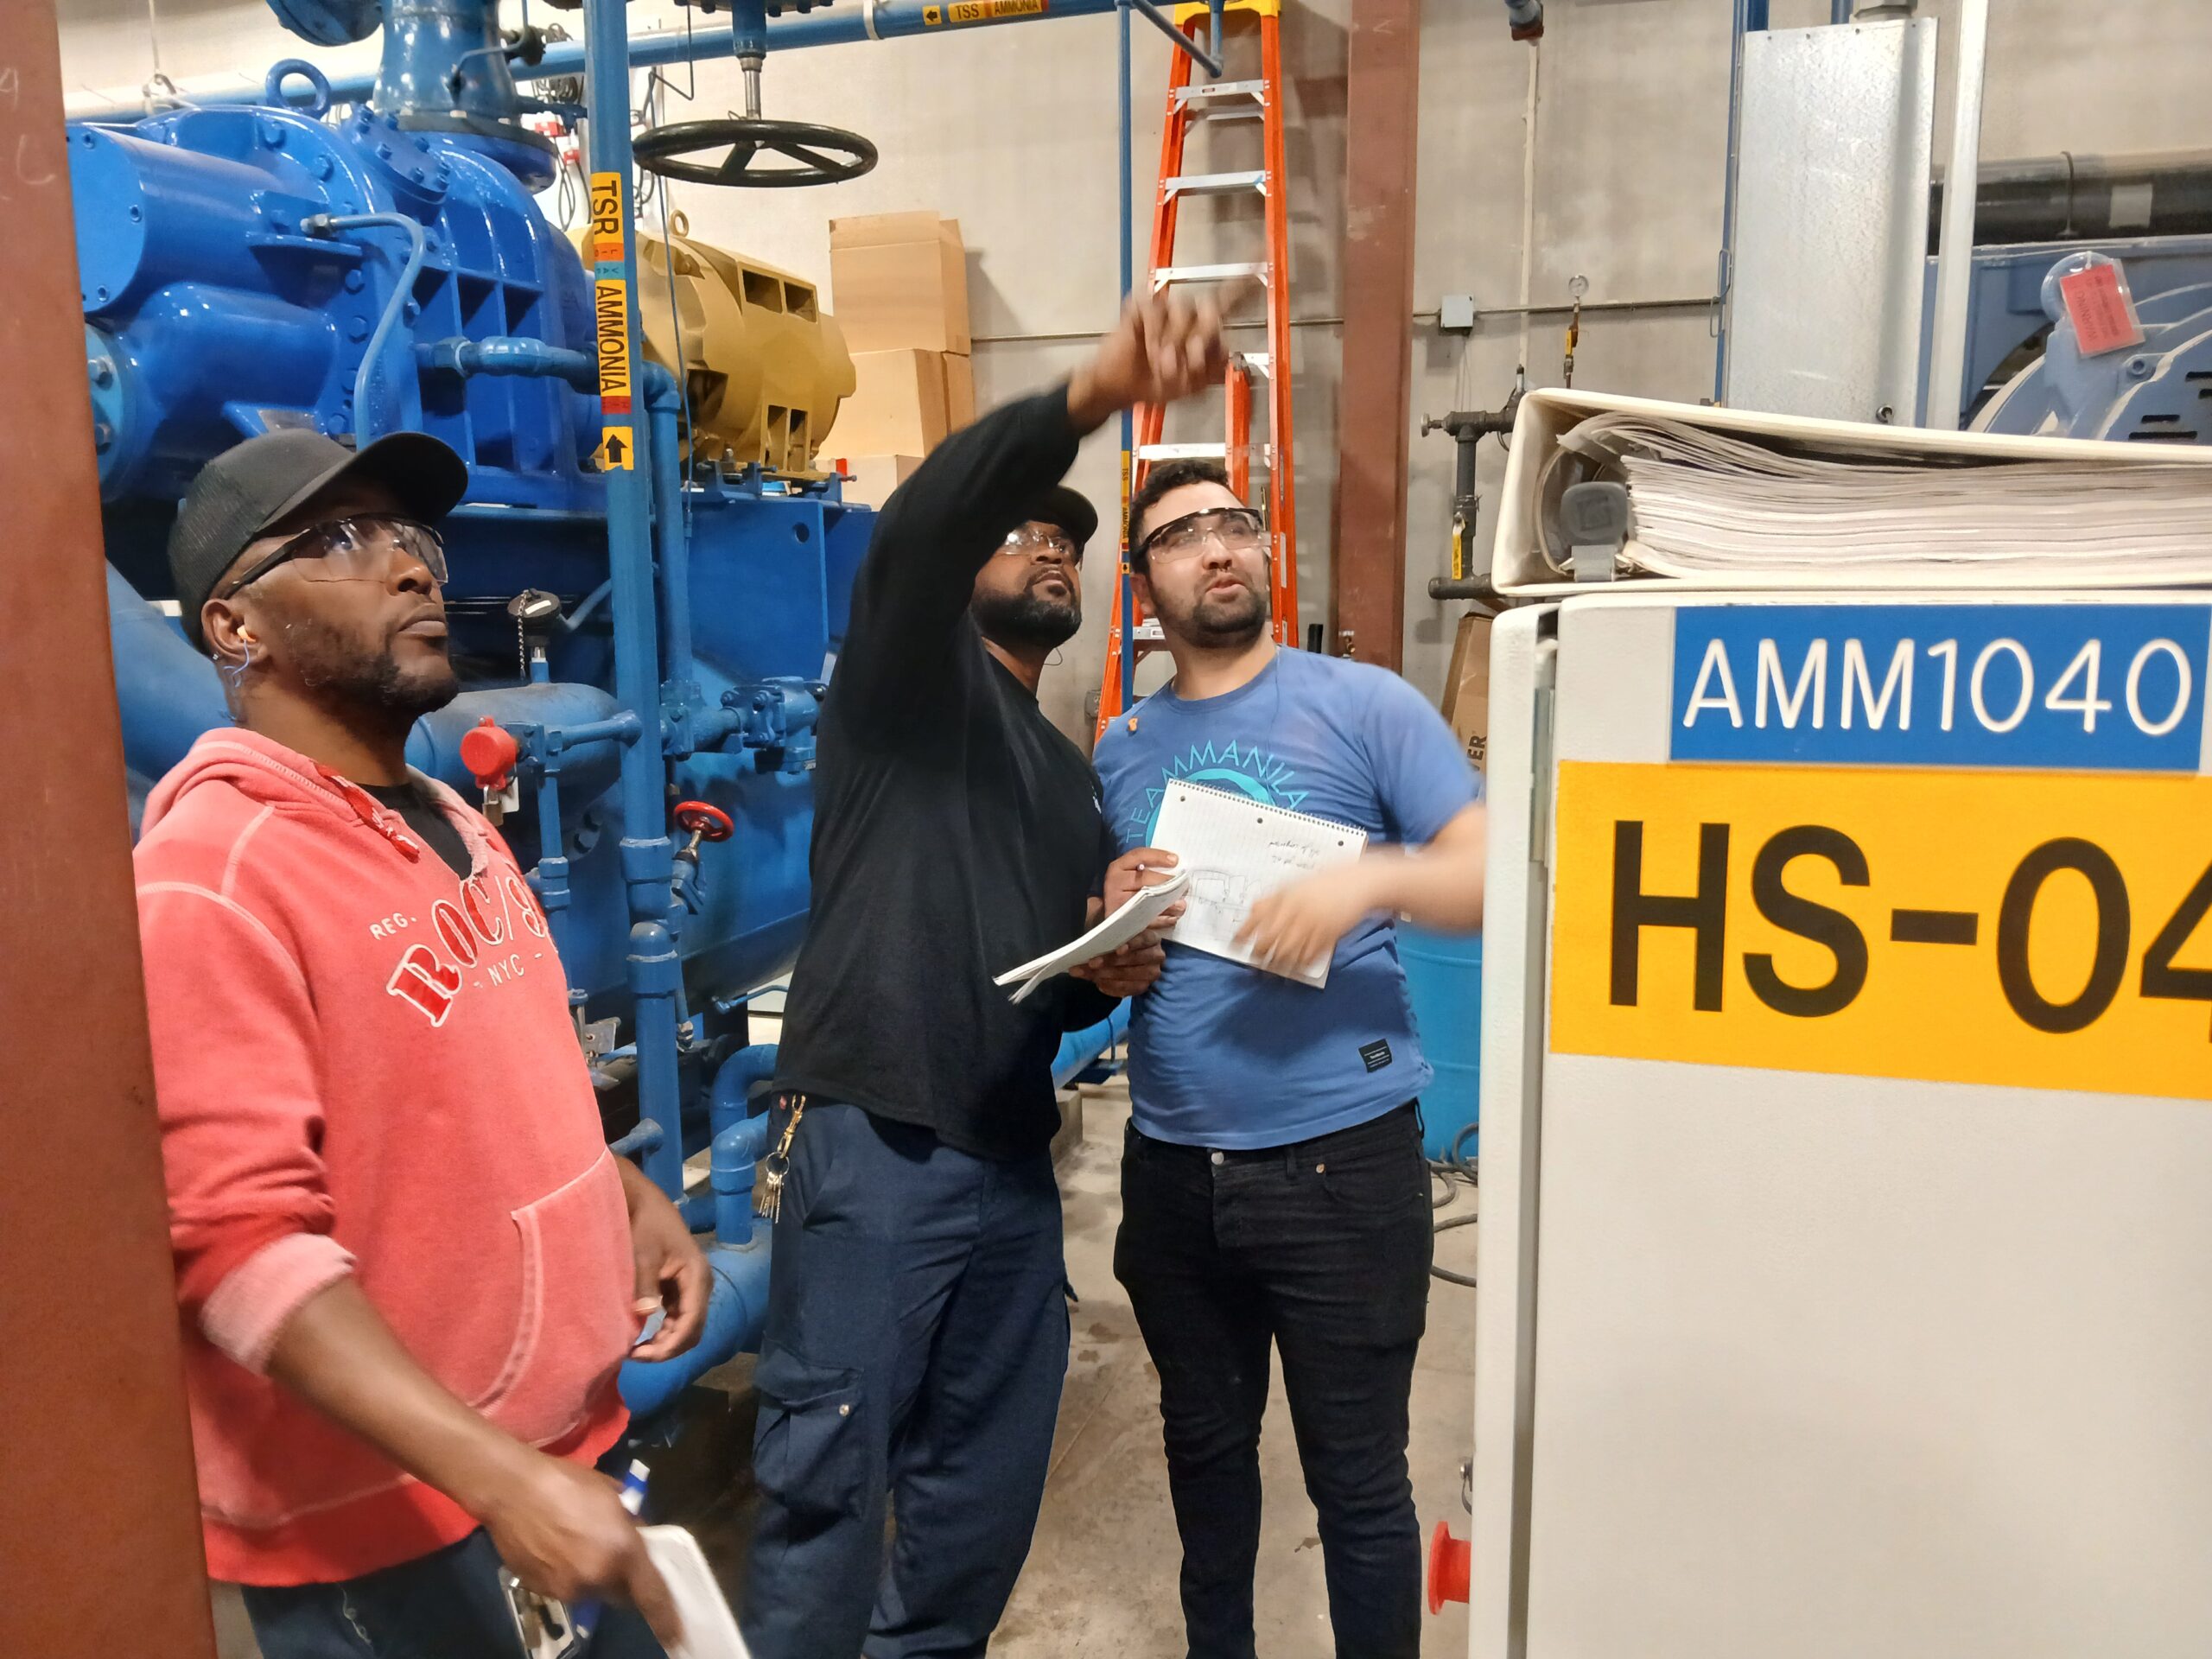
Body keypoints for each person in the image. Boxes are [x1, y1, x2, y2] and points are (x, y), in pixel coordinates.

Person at [133, 429, 708, 1658]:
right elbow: (236, 1251)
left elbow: (474, 1082)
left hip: (553, 1464)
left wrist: (618, 1192)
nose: (408, 567)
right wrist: (500, 1481)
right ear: (233, 627)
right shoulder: (212, 876)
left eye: (410, 536)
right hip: (398, 1534)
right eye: (340, 539)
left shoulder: (453, 819)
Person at [741, 290, 1230, 1659]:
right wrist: (1090, 394)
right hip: (879, 1142)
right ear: (963, 569)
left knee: (978, 1493)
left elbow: (1046, 986)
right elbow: (920, 524)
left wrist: (1110, 959)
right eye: (1024, 531)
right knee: (827, 1489)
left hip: (1010, 1165)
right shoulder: (907, 685)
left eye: (1072, 542)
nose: (1054, 548)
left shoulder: (1067, 778)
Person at [1091, 459, 1488, 1659]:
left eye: (1233, 523)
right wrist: (1113, 936)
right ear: (1143, 583)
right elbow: (1127, 929)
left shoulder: (1364, 704)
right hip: (1171, 1170)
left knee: (1358, 1487)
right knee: (1206, 1473)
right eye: (1181, 536)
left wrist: (1367, 881)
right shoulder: (1122, 747)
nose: (1217, 547)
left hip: (1339, 1170)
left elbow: (1487, 871)